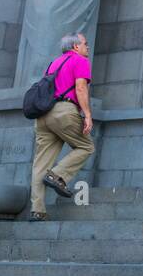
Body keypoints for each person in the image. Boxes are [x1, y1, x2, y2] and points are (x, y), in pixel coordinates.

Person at [28, 32, 95, 221]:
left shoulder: (54, 63)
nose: (87, 47)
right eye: (85, 43)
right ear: (76, 47)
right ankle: (57, 175)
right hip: (64, 111)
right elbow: (80, 87)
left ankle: (37, 210)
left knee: (41, 164)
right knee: (86, 146)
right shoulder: (80, 61)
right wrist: (87, 114)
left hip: (43, 115)